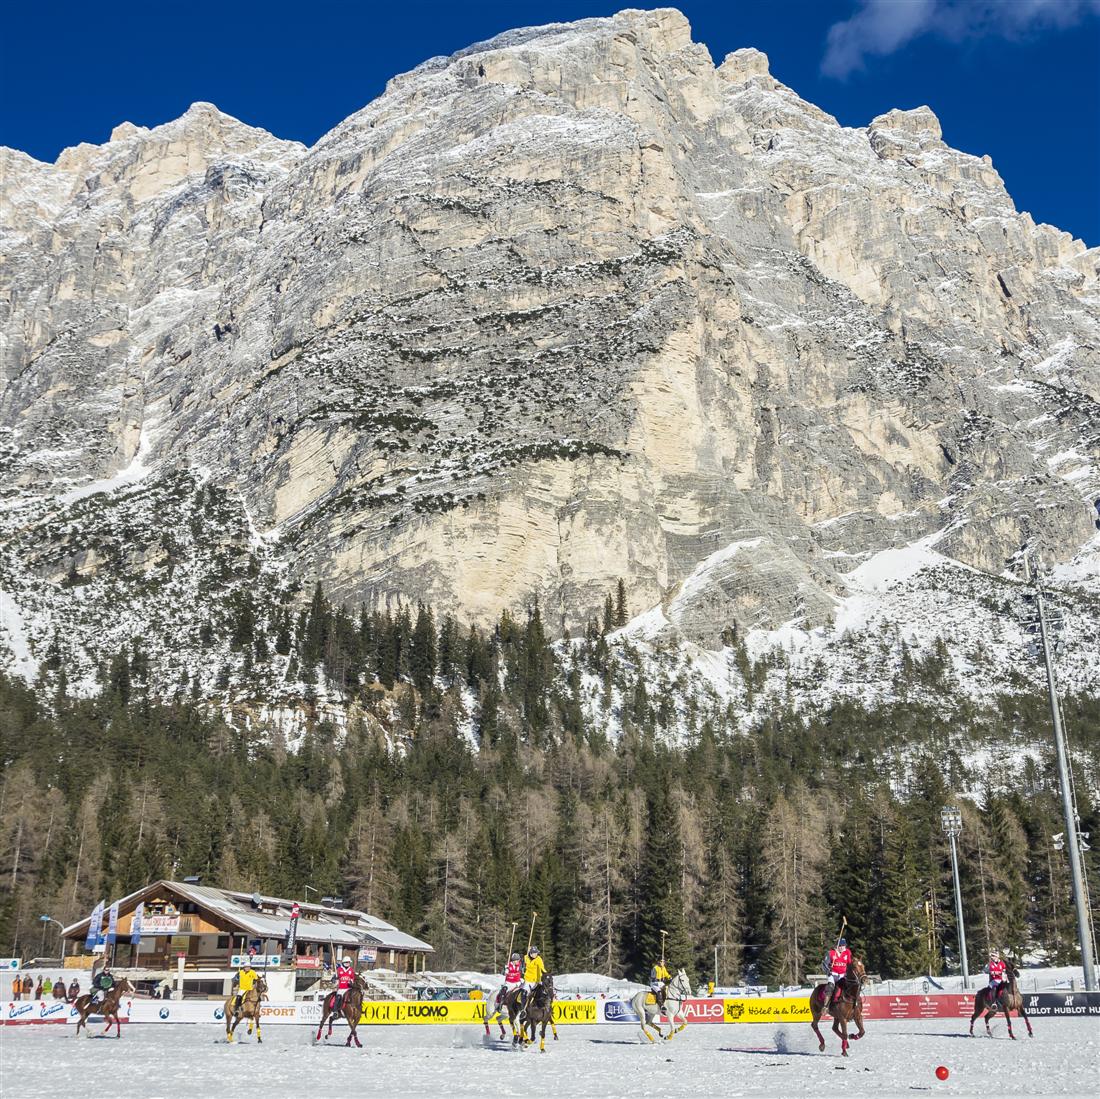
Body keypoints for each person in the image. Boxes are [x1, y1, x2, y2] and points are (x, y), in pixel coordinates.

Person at [824, 937, 852, 1005]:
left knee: (851, 986)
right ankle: (826, 1006)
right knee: (830, 987)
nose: (842, 947)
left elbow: (850, 964)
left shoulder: (847, 952)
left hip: (843, 975)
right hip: (833, 975)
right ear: (836, 945)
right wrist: (828, 970)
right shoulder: (831, 953)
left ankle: (854, 1003)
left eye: (843, 945)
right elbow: (824, 964)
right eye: (840, 945)